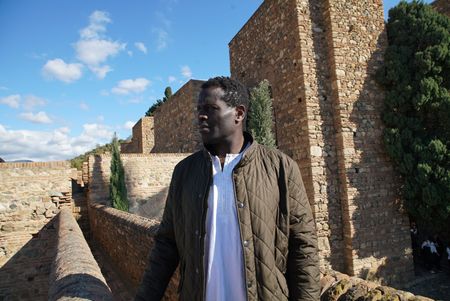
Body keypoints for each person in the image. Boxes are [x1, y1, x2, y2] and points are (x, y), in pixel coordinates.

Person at [135, 76, 320, 300]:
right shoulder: (184, 173)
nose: (201, 116)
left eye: (211, 108)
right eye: (199, 109)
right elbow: (166, 244)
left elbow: (303, 247)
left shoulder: (280, 168)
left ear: (239, 114)